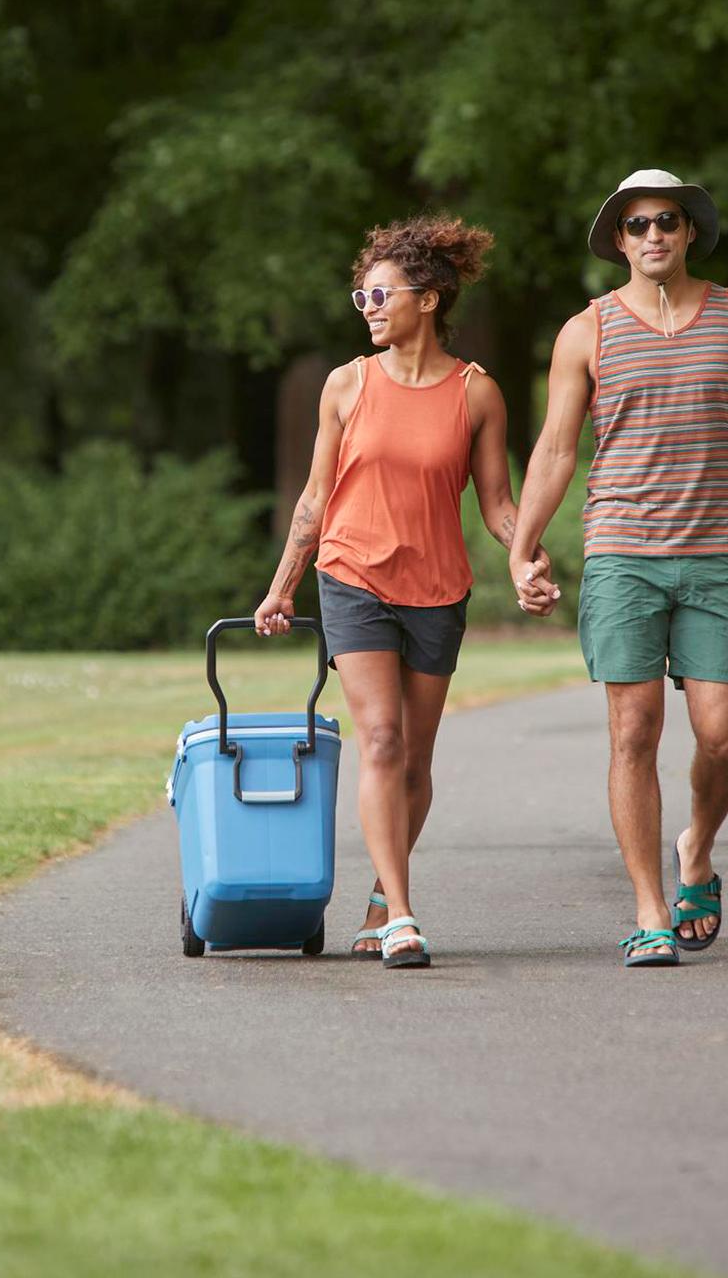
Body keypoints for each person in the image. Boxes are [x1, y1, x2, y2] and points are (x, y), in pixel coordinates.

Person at [510, 168, 728, 968]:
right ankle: (648, 912)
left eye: (665, 222)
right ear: (616, 240)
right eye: (635, 226)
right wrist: (522, 544)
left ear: (688, 231)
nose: (652, 237)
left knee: (725, 737)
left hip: (714, 554)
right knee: (633, 733)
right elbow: (558, 449)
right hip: (621, 555)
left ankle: (696, 848)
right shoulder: (586, 332)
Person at [254, 214, 546, 969]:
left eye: (380, 295)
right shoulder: (346, 385)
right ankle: (406, 915)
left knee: (416, 760)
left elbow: (498, 505)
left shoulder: (477, 395)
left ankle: (382, 897)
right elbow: (317, 498)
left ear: (429, 298)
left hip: (436, 589)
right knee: (379, 739)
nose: (369, 308)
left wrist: (525, 558)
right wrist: (283, 585)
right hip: (351, 577)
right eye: (362, 298)